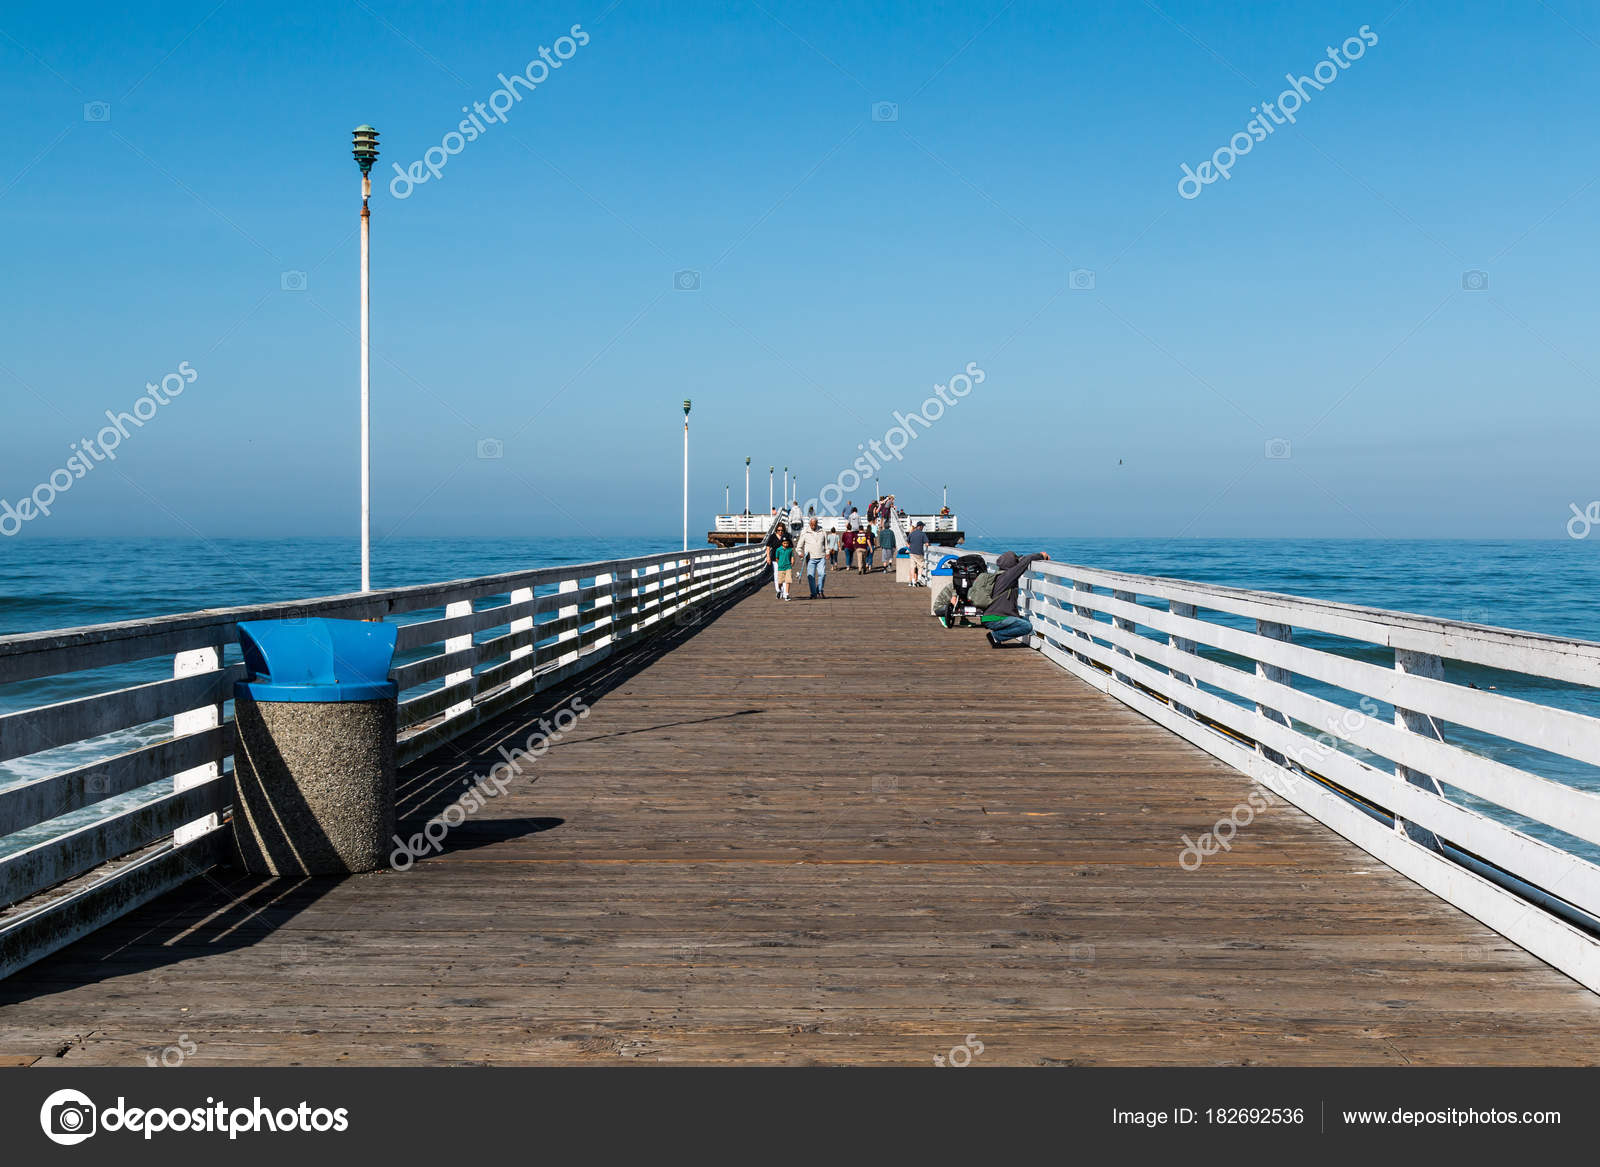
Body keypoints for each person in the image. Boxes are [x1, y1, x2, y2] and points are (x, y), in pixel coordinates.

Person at [981, 550, 1051, 647]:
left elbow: (1022, 561)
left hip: (990, 616)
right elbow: (1025, 562)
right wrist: (1041, 555)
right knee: (1027, 626)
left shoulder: (1000, 576)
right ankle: (995, 636)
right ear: (1012, 565)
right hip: (995, 619)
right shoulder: (1009, 575)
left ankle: (998, 637)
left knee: (1024, 621)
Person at [796, 517, 829, 599]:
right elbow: (798, 547)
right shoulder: (805, 532)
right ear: (809, 524)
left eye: (814, 524)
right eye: (811, 524)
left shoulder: (822, 531)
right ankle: (813, 593)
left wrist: (827, 552)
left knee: (822, 574)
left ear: (817, 523)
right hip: (810, 558)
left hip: (821, 556)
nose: (813, 526)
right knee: (811, 576)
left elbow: (826, 544)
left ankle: (820, 590)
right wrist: (800, 554)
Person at [763, 517, 785, 597]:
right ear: (776, 530)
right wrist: (768, 557)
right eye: (779, 530)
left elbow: (790, 547)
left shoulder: (785, 536)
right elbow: (768, 547)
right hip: (774, 558)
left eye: (782, 530)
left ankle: (783, 591)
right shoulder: (772, 536)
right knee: (776, 574)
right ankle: (778, 590)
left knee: (783, 574)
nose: (780, 532)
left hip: (784, 559)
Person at [905, 520, 930, 586]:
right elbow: (927, 544)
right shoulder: (923, 534)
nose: (923, 528)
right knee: (920, 566)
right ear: (920, 527)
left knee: (912, 567)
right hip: (919, 553)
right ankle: (918, 579)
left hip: (912, 552)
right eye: (923, 526)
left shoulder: (912, 533)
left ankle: (913, 582)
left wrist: (910, 547)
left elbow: (907, 542)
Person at [773, 534, 795, 601]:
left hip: (788, 567)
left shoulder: (790, 550)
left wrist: (792, 561)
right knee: (780, 582)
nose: (786, 544)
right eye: (784, 543)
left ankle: (787, 594)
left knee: (788, 581)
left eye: (787, 543)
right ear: (782, 543)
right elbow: (777, 558)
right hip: (781, 568)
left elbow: (792, 557)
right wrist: (779, 564)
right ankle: (779, 591)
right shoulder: (778, 550)